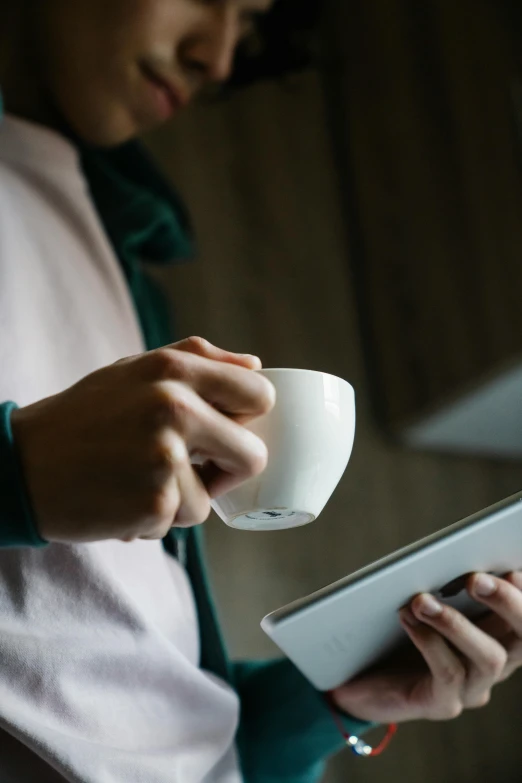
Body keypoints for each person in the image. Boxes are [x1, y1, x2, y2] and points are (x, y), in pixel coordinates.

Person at [0, 2, 521, 781]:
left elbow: (141, 698)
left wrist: (340, 700)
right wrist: (18, 478)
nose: (219, 58)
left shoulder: (122, 252)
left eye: (247, 24)